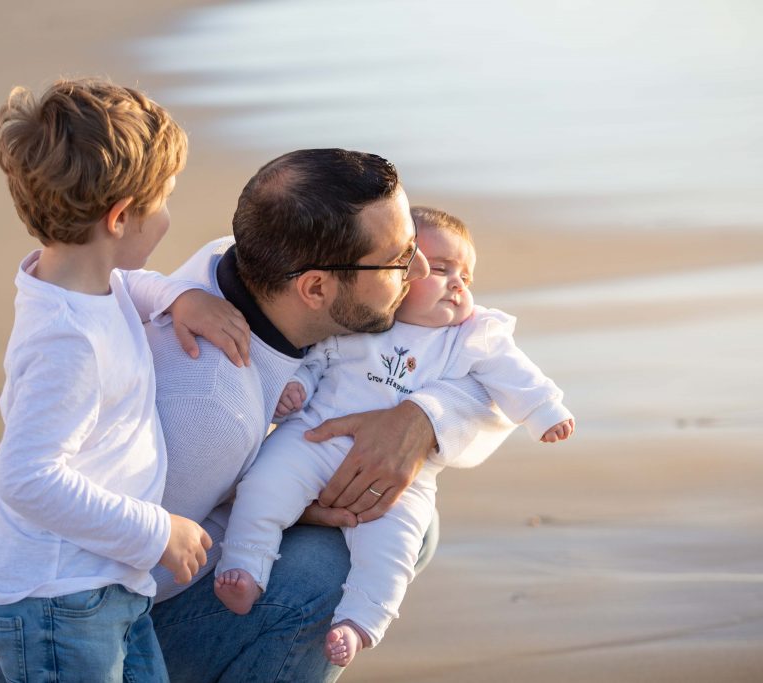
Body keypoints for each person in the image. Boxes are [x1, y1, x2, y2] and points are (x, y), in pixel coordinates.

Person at [138, 150, 519, 682]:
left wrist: (420, 417)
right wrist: (276, 499)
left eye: (414, 245)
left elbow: (487, 381)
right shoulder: (210, 405)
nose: (423, 271)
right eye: (400, 259)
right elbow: (101, 573)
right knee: (332, 566)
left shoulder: (258, 265)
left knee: (401, 512)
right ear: (315, 288)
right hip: (124, 627)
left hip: (195, 547)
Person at [0, 78, 251, 683]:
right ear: (120, 217)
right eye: (163, 199)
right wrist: (156, 531)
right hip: (55, 601)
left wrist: (175, 298)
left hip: (100, 586)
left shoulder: (80, 282)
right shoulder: (67, 341)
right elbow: (28, 477)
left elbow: (127, 289)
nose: (169, 214)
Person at [212, 205, 575, 667]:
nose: (458, 284)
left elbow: (512, 376)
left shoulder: (470, 335)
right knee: (266, 484)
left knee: (397, 542)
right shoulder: (363, 319)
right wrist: (295, 390)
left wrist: (545, 411)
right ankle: (244, 564)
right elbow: (315, 361)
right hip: (316, 436)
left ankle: (361, 620)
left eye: (467, 276)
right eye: (440, 270)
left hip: (408, 477)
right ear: (400, 273)